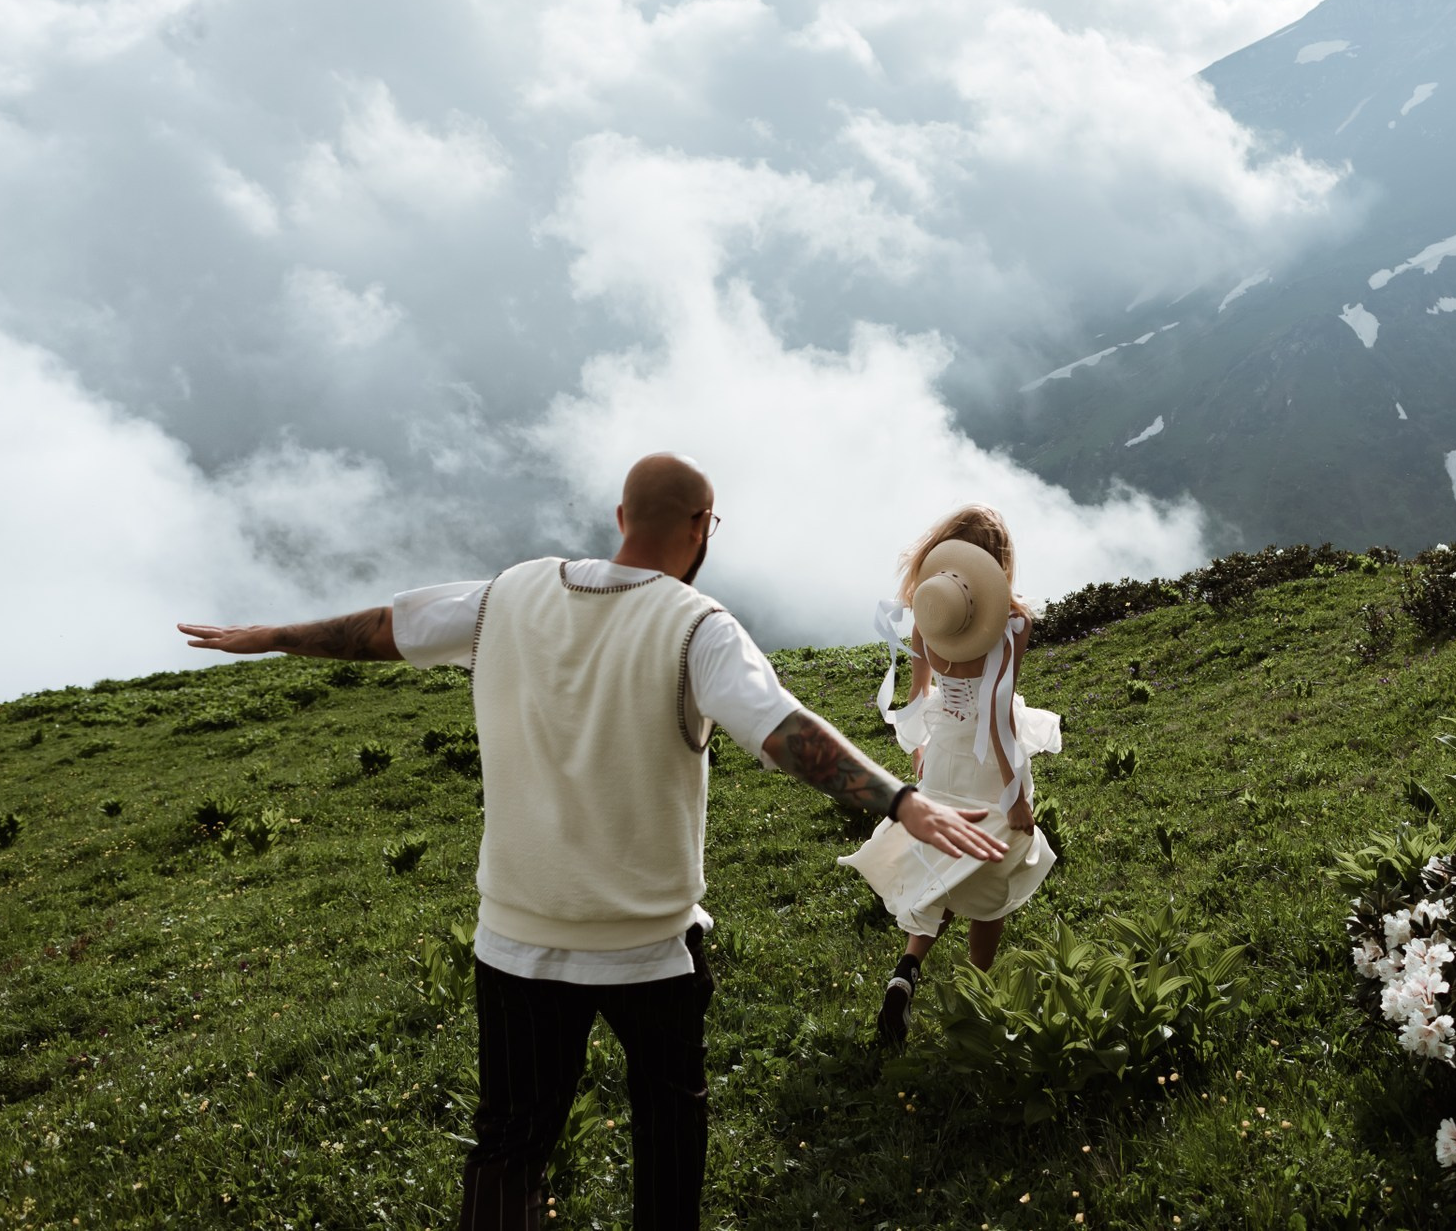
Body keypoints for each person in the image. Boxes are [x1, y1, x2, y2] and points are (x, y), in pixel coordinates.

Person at [177, 453, 1005, 1231]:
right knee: (668, 1139)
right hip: (648, 951)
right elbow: (782, 730)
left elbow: (387, 626)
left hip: (514, 941)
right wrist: (900, 800)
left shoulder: (508, 595)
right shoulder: (697, 627)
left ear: (620, 515)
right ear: (702, 526)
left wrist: (272, 634)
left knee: (508, 1143)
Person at [839, 504, 1060, 1046]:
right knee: (992, 875)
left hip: (941, 755)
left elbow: (916, 699)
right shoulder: (1011, 624)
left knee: (940, 862)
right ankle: (978, 991)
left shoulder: (928, 614)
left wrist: (919, 753)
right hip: (987, 766)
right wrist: (1015, 797)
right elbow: (999, 716)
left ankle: (907, 971)